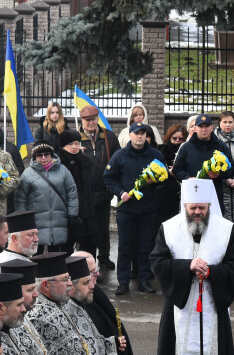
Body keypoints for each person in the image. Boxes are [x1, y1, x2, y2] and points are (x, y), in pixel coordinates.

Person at [150, 179, 234, 355]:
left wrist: (212, 271)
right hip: (179, 308)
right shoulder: (169, 229)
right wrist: (186, 267)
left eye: (202, 207)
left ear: (210, 206)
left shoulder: (226, 230)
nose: (197, 213)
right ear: (185, 206)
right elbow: (157, 262)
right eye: (193, 208)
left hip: (212, 306)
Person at [103, 122, 164, 295]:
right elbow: (108, 177)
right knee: (125, 247)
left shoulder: (155, 155)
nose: (139, 136)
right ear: (130, 135)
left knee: (145, 246)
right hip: (127, 210)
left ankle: (144, 280)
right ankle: (123, 282)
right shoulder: (119, 156)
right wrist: (120, 192)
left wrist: (157, 180)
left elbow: (165, 177)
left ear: (146, 136)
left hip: (148, 209)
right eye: (136, 133)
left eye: (142, 133)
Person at [15, 143, 79, 254]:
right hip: (36, 223)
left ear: (51, 155)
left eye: (46, 154)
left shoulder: (63, 170)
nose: (43, 158)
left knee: (56, 256)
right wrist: (23, 219)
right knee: (36, 254)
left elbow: (72, 193)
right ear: (35, 157)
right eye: (40, 155)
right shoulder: (27, 174)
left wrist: (73, 214)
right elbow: (21, 199)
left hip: (59, 220)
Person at [78, 104, 120, 271]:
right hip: (84, 193)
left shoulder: (108, 137)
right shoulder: (76, 138)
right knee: (87, 229)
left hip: (104, 192)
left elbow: (117, 159)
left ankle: (104, 256)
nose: (91, 122)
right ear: (82, 120)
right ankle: (87, 260)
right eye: (87, 120)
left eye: (93, 119)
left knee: (103, 228)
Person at [173, 114, 234, 210]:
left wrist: (219, 174)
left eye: (207, 126)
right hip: (192, 197)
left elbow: (231, 169)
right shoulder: (186, 147)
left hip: (214, 197)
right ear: (195, 128)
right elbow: (177, 170)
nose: (204, 129)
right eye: (201, 126)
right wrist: (188, 178)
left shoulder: (221, 147)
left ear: (212, 128)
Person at [57, 129, 96, 254]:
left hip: (86, 213)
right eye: (70, 144)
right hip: (65, 214)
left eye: (76, 143)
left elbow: (92, 185)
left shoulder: (86, 161)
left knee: (88, 248)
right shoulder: (58, 163)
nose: (74, 147)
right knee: (65, 250)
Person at [158, 124, 186, 224]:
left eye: (181, 138)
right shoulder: (162, 149)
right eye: (174, 138)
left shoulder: (186, 150)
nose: (177, 140)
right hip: (166, 190)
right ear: (169, 137)